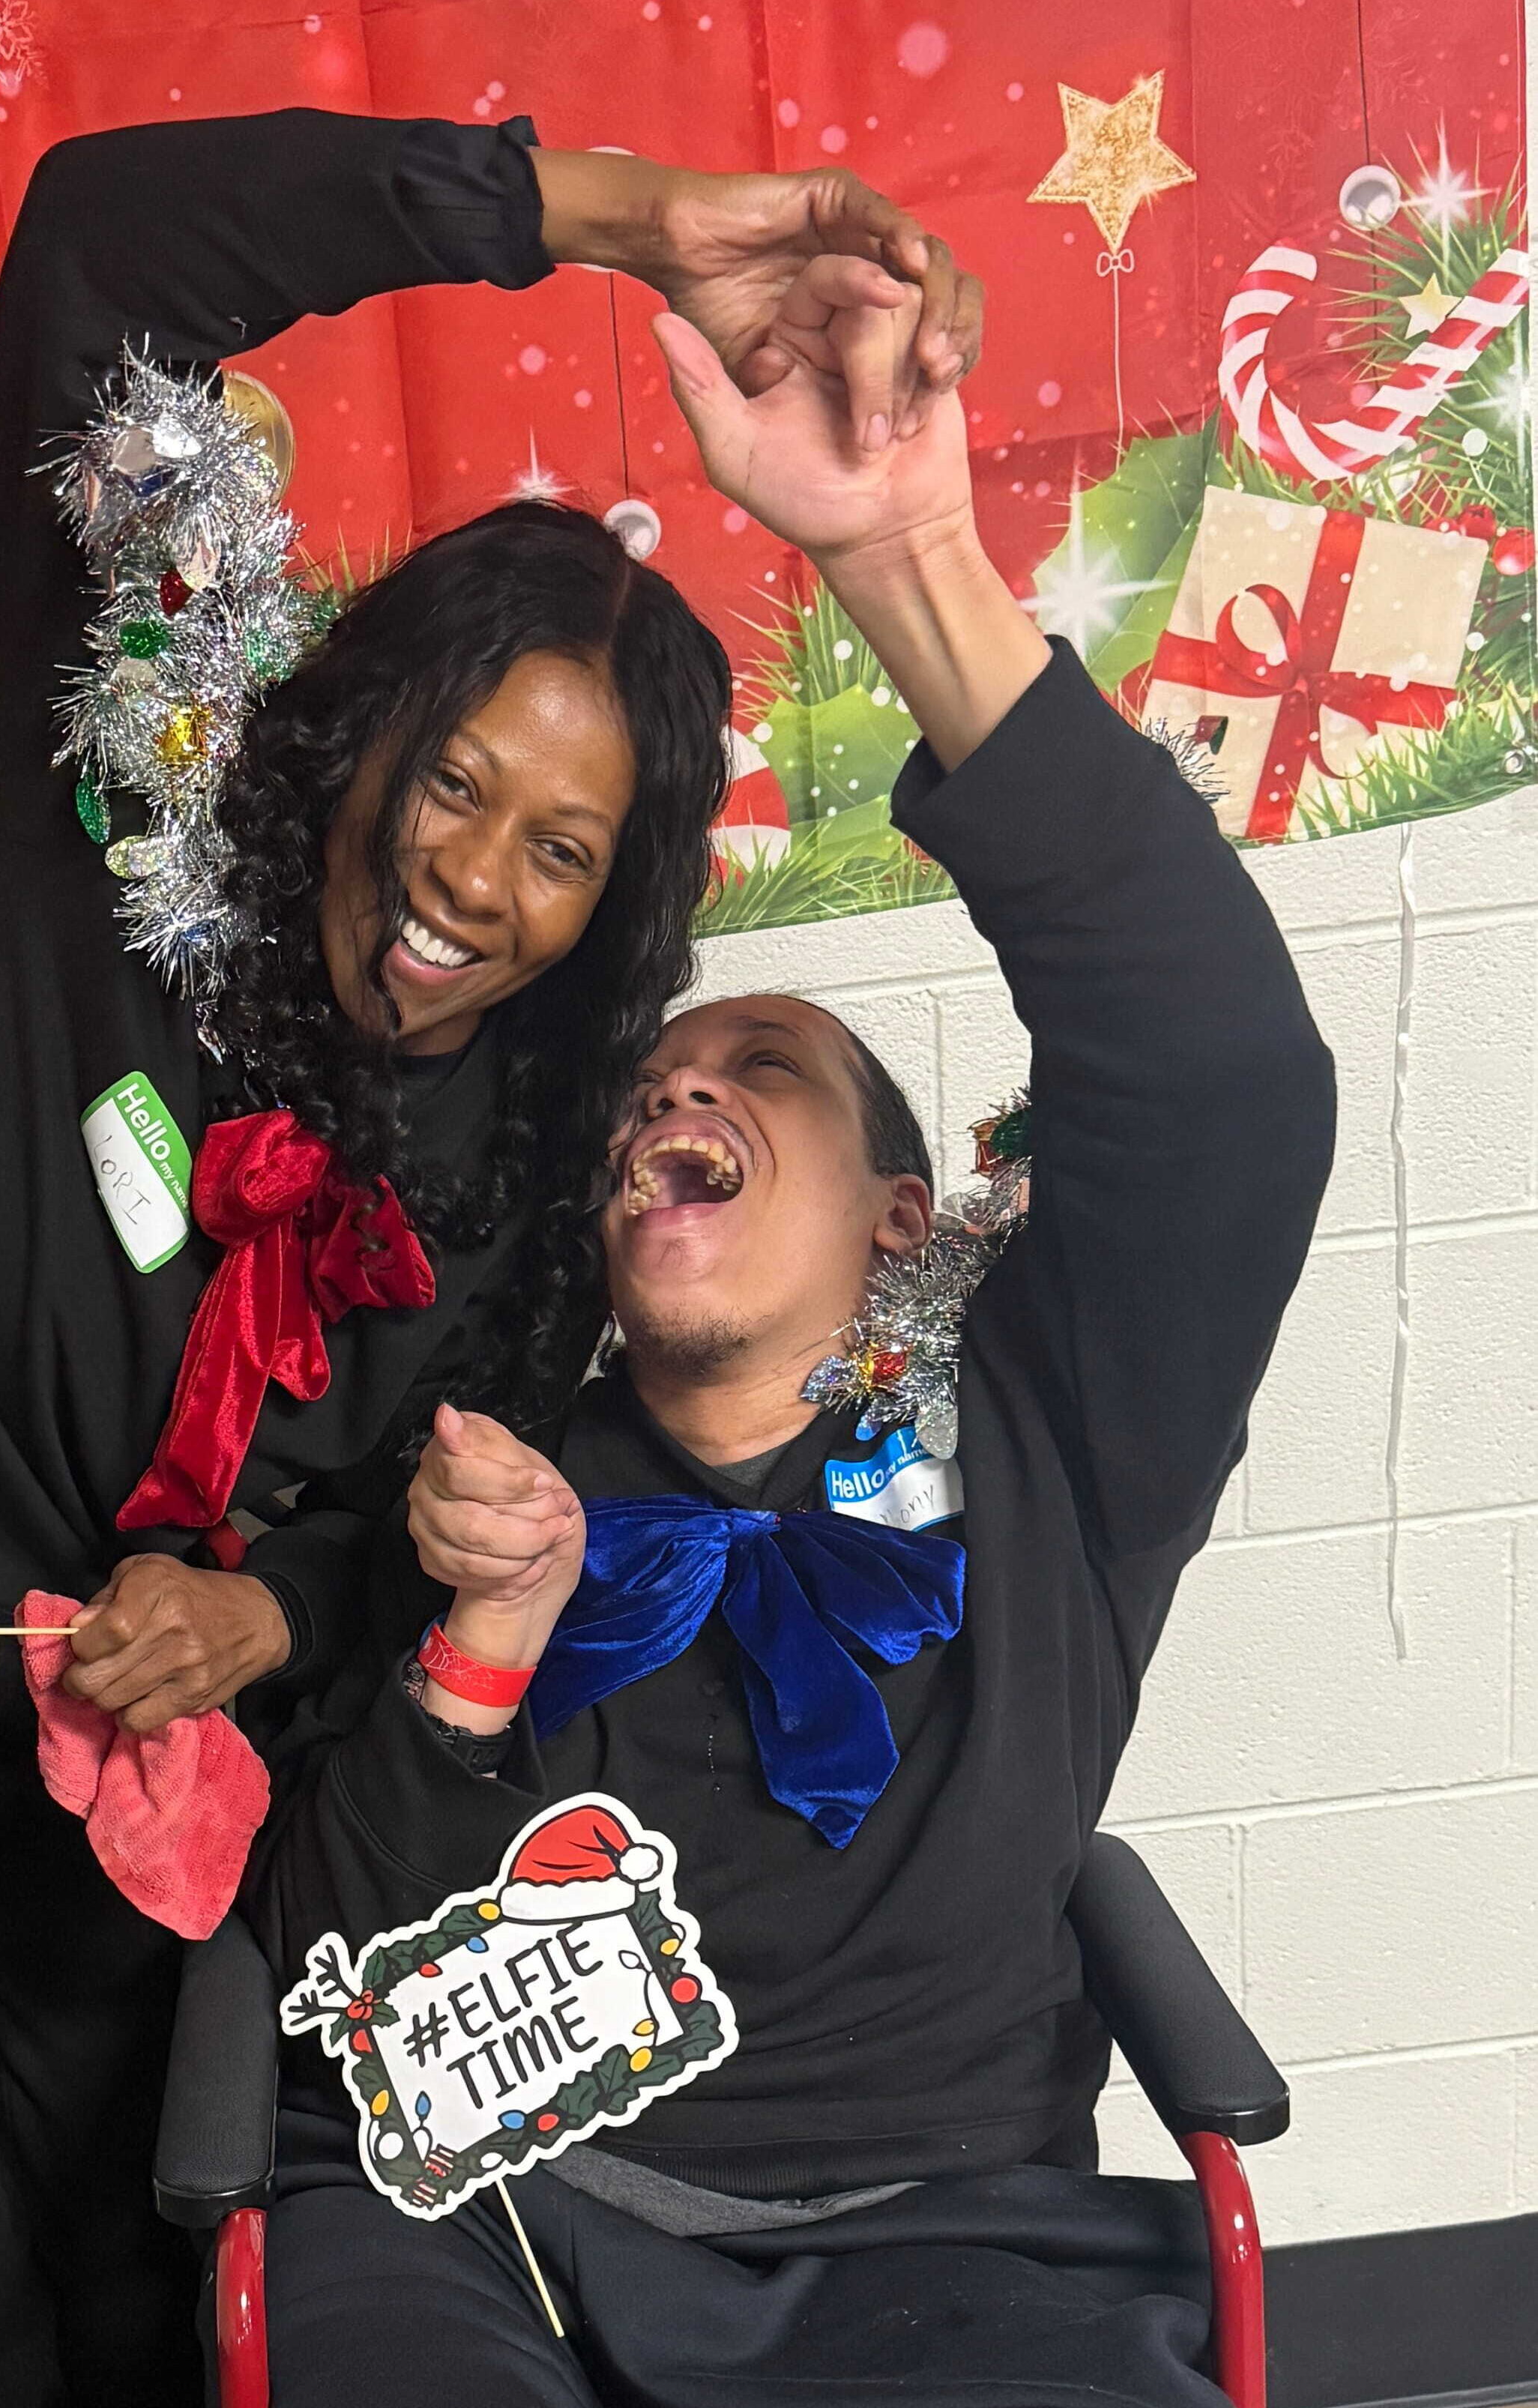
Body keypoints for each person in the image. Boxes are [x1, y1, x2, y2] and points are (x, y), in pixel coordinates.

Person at [0, 106, 983, 2408]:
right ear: (365, 732)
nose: (473, 880)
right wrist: (614, 223)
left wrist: (264, 1605)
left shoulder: (532, 1158)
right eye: (453, 782)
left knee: (142, 2295)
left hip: (105, 1752)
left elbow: (413, 1541)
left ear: (608, 900)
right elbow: (100, 254)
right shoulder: (126, 812)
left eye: (558, 850)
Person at [244, 270, 1338, 2404]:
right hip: (503, 2245)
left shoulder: (1054, 1423)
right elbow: (328, 1964)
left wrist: (904, 558)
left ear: (900, 1215)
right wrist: (476, 1648)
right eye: (650, 1083)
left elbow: (1221, 1079)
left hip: (957, 2251)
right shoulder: (497, 1471)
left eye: (757, 1072)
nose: (675, 1094)